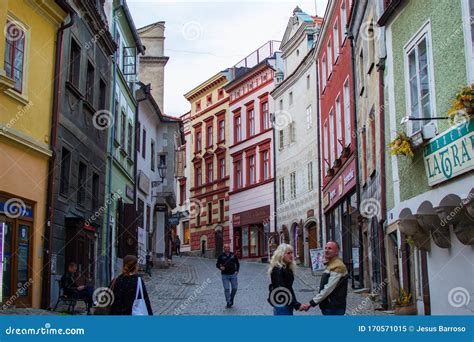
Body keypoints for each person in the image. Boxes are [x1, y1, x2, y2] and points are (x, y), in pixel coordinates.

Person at [301, 241, 348, 315]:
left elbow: (328, 288)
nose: (326, 250)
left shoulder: (338, 266)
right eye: (325, 248)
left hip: (333, 308)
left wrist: (311, 303)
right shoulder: (331, 264)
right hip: (329, 306)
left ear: (336, 252)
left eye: (330, 248)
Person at [268, 243, 308, 315]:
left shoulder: (287, 268)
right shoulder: (277, 269)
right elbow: (282, 290)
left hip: (287, 303)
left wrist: (295, 304)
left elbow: (289, 288)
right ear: (281, 255)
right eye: (288, 253)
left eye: (292, 253)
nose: (291, 255)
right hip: (281, 304)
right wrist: (297, 305)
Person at [216, 244, 239, 308]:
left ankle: (231, 298)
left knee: (235, 288)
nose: (227, 248)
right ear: (223, 249)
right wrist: (220, 267)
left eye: (228, 247)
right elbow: (217, 264)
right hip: (224, 275)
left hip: (233, 275)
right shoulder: (221, 256)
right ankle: (228, 302)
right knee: (226, 289)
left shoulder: (233, 255)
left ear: (229, 248)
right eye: (225, 247)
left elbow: (237, 263)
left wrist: (237, 270)